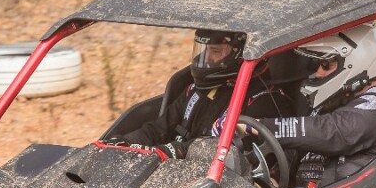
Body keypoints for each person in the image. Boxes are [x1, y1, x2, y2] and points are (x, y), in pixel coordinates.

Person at [244, 23, 376, 188]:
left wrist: (261, 125)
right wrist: (270, 182)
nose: (319, 73)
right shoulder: (330, 104)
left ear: (358, 62)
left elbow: (337, 131)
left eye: (327, 64)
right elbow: (295, 151)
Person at [114, 29, 292, 153]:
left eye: (215, 51)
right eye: (205, 49)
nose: (206, 58)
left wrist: (172, 151)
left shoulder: (264, 101)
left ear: (240, 53)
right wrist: (126, 142)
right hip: (169, 167)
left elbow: (230, 152)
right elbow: (158, 129)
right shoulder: (197, 89)